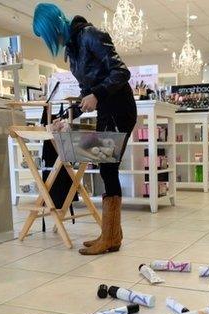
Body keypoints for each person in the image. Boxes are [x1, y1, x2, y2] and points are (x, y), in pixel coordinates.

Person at [33, 3, 137, 255]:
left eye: (49, 34)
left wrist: (97, 95)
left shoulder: (91, 36)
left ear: (56, 25)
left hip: (120, 109)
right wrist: (68, 117)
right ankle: (112, 234)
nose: (52, 40)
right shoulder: (73, 50)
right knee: (105, 168)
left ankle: (111, 237)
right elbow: (86, 94)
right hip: (107, 111)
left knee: (108, 168)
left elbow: (122, 72)